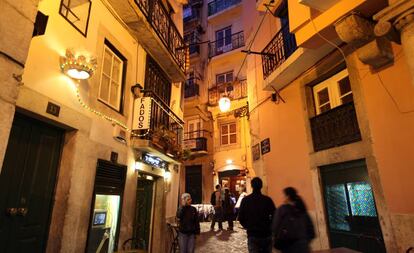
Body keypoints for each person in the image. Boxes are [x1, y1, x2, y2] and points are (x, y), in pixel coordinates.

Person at [238, 177, 276, 253]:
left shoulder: (246, 200)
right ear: (261, 186)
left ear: (251, 186)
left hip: (253, 234)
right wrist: (269, 225)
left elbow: (241, 217)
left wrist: (247, 226)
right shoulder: (267, 200)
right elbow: (275, 215)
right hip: (266, 233)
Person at [272, 187, 315, 253]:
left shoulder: (282, 210)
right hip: (303, 246)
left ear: (287, 197)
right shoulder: (302, 209)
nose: (282, 197)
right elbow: (311, 230)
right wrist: (305, 241)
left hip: (288, 246)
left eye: (283, 195)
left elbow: (275, 227)